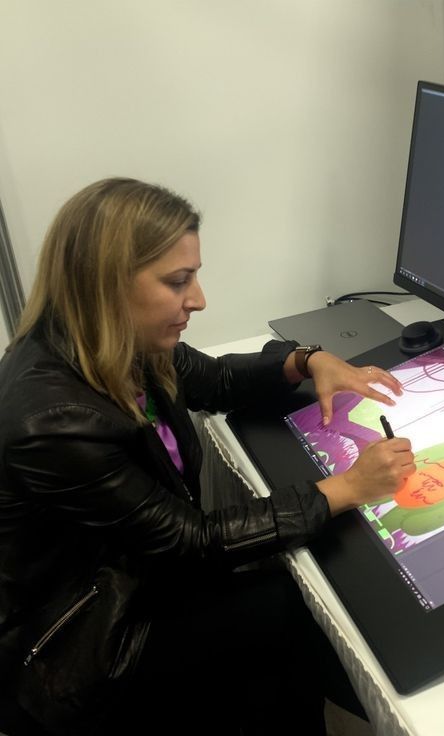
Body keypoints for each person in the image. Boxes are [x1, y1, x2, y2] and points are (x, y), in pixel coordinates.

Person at [0, 177, 416, 735]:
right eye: (178, 282)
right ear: (105, 286)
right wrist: (347, 488)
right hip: (85, 640)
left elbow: (215, 378)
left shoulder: (119, 342)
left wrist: (306, 360)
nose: (197, 299)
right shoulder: (51, 422)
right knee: (289, 606)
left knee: (291, 612)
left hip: (133, 573)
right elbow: (191, 542)